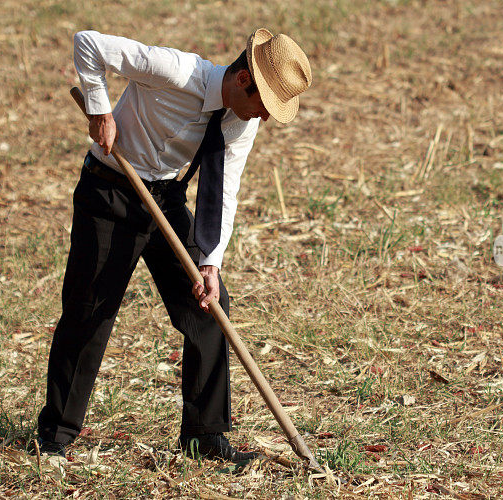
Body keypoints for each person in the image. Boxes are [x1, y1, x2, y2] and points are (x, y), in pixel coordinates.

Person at [33, 28, 312, 462]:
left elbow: (224, 191)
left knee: (209, 311)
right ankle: (55, 435)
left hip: (164, 199)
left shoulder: (240, 121)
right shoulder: (177, 71)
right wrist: (99, 109)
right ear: (243, 80)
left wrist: (211, 264)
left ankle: (205, 438)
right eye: (265, 105)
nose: (266, 117)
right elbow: (88, 43)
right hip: (110, 190)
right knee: (91, 312)